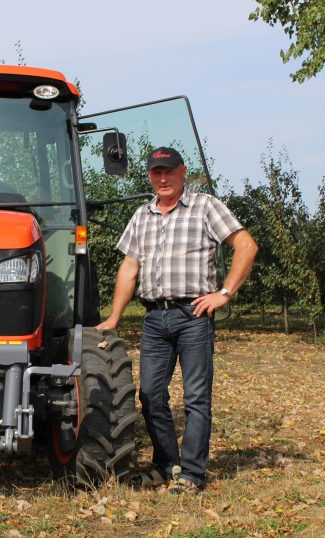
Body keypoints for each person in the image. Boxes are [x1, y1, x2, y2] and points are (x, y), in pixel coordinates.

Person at [96, 146, 257, 494]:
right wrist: (115, 315)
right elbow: (129, 267)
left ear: (183, 172)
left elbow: (246, 246)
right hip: (155, 318)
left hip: (193, 315)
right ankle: (166, 463)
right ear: (150, 176)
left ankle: (192, 474)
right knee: (151, 395)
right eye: (156, 172)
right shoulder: (142, 215)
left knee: (196, 397)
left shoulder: (205, 206)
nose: (163, 178)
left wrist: (224, 293)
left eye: (169, 171)